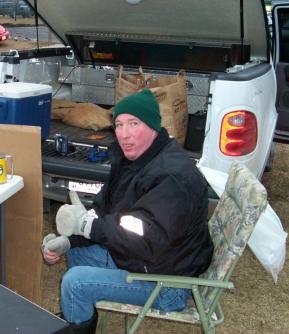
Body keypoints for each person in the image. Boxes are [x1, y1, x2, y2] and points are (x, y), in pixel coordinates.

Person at [41, 89, 214, 334]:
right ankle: (77, 319)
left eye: (134, 124)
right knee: (78, 255)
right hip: (145, 261)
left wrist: (89, 227)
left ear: (154, 126)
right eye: (119, 125)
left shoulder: (173, 177)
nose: (124, 134)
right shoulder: (133, 160)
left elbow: (146, 236)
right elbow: (104, 209)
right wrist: (69, 241)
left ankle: (76, 322)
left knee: (75, 282)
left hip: (166, 281)